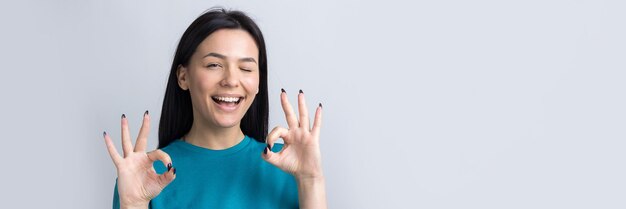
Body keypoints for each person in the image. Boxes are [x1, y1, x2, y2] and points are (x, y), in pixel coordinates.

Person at [103, 8, 327, 209]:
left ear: (258, 82)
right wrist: (133, 204)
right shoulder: (147, 175)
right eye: (214, 65)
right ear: (183, 77)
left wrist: (311, 180)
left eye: (246, 68)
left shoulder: (289, 167)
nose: (231, 80)